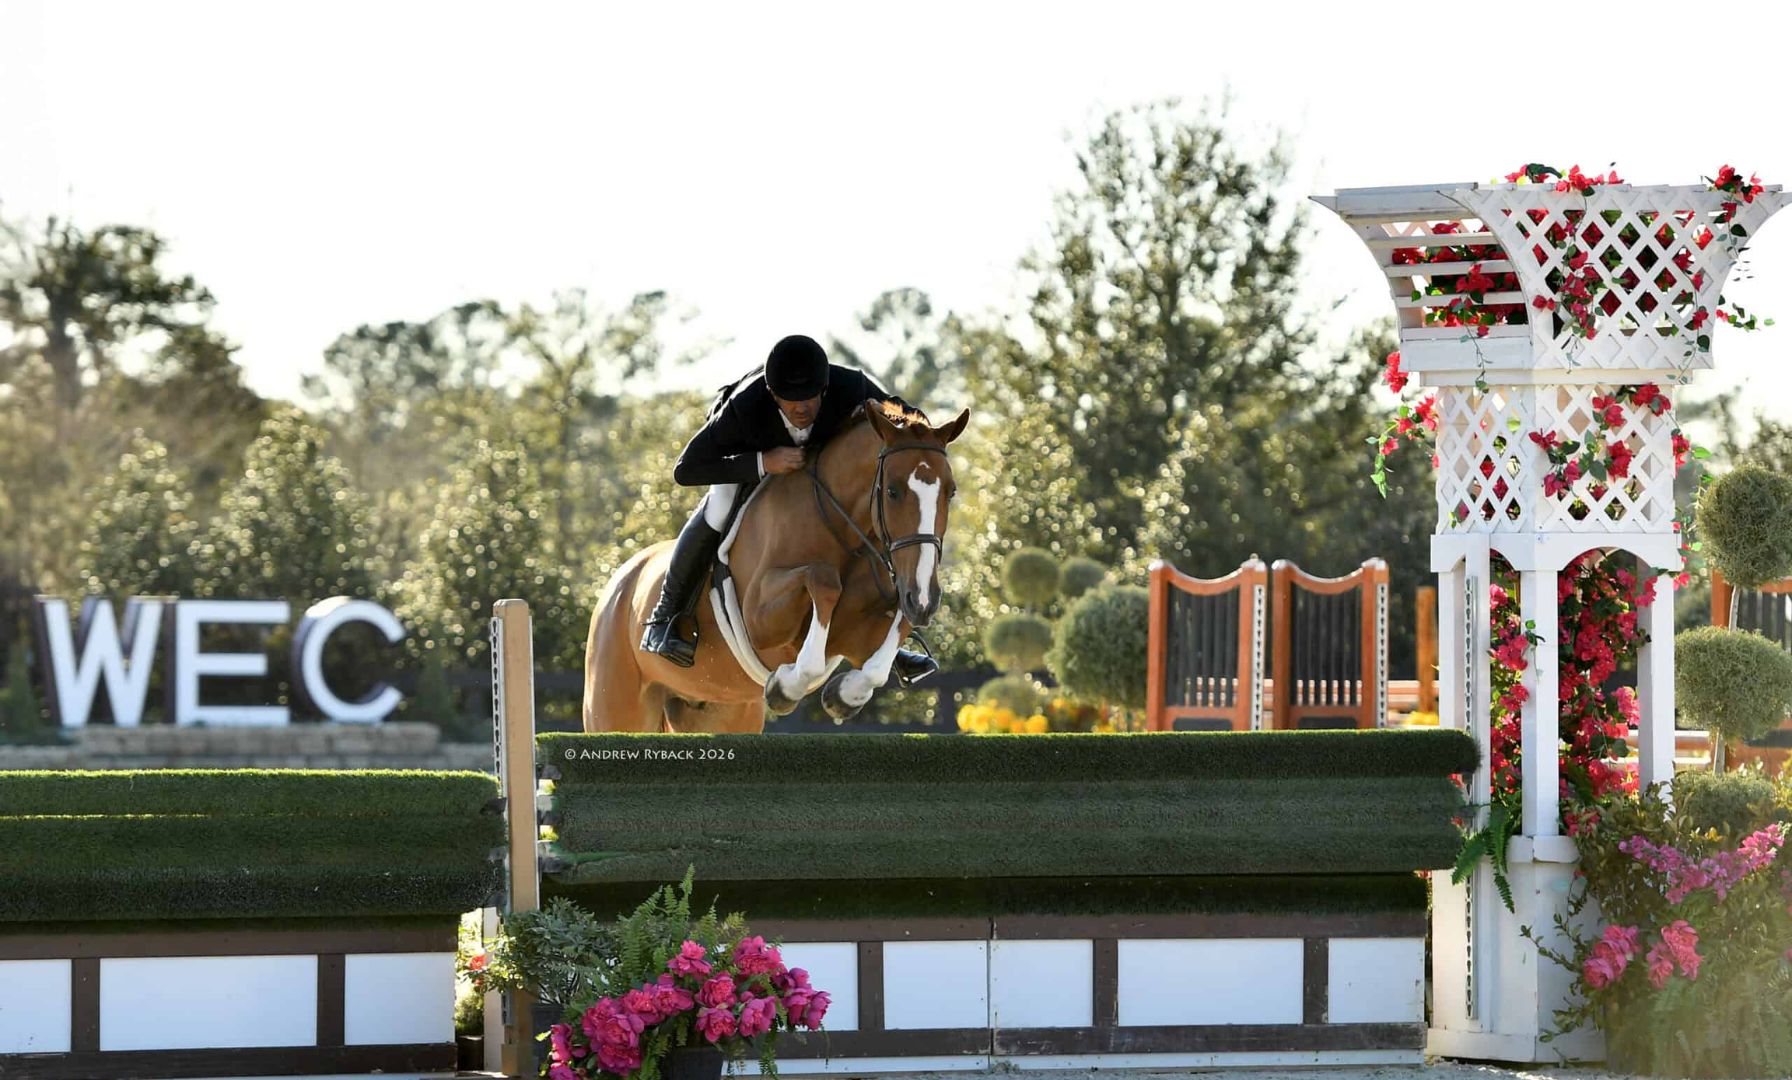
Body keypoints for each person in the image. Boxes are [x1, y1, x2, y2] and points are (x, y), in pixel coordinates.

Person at [637, 333, 938, 686]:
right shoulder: (745, 406)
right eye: (790, 401)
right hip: (751, 457)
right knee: (718, 509)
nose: (801, 409)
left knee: (871, 512)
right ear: (772, 393)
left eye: (810, 399)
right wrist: (762, 462)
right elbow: (685, 469)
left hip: (820, 466)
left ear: (825, 388)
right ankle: (665, 616)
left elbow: (906, 414)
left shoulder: (850, 385)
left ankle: (885, 639)